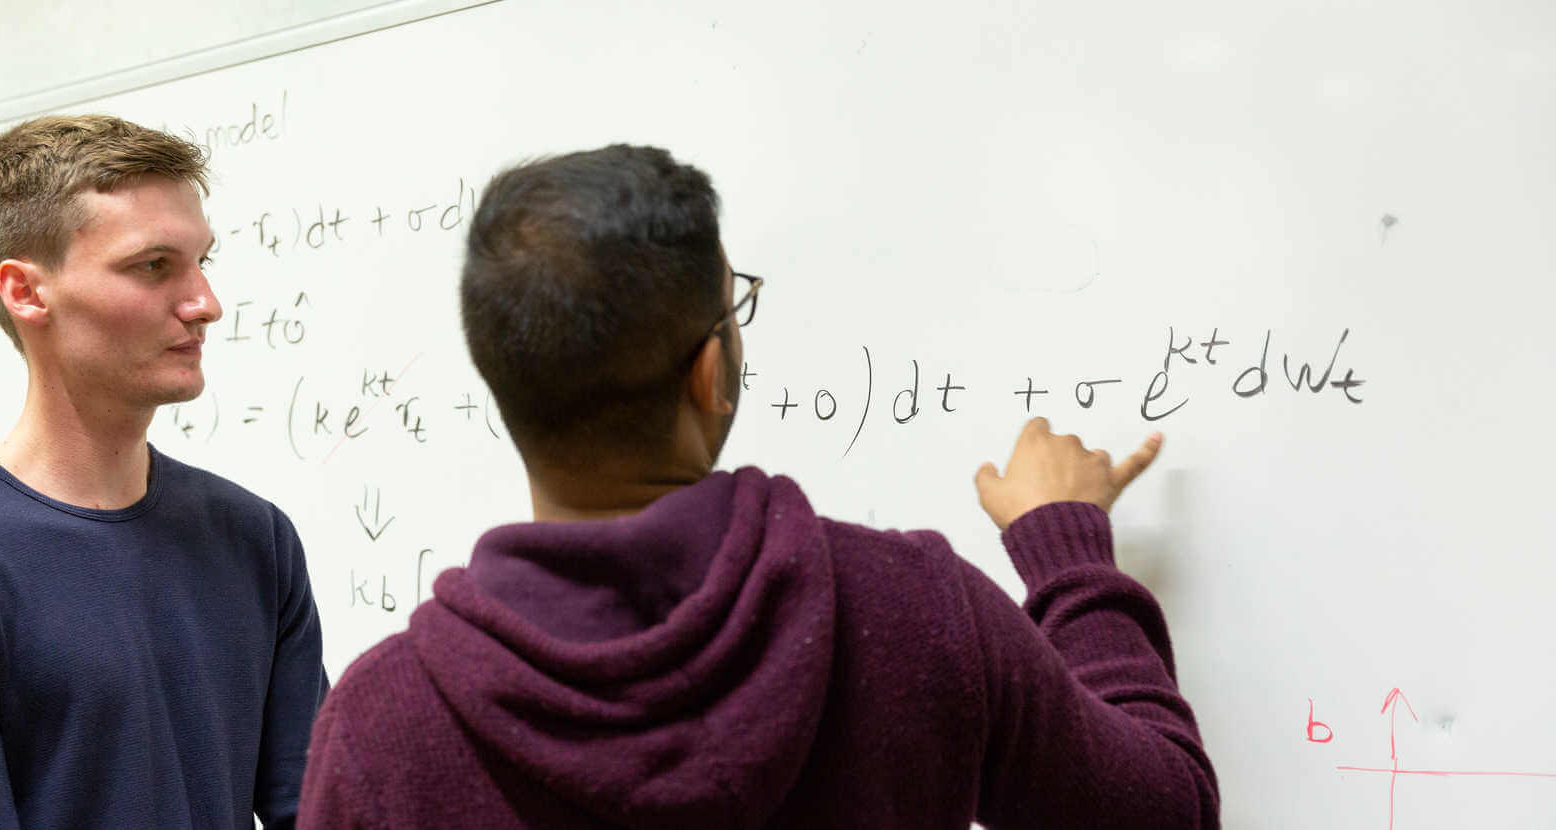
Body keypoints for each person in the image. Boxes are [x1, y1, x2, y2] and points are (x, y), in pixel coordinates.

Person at [298, 145, 1218, 828]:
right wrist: (1069, 553)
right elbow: (1165, 812)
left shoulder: (383, 726)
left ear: (502, 382)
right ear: (711, 371)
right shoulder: (916, 615)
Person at [0, 114, 328, 829]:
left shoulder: (254, 538)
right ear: (26, 291)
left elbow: (318, 813)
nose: (205, 303)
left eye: (202, 262)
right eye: (153, 266)